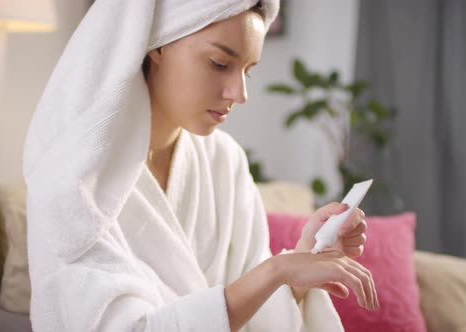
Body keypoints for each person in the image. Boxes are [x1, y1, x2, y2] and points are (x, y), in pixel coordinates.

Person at [23, 1, 378, 331]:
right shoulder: (76, 180)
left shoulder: (224, 161)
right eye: (220, 64)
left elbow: (253, 310)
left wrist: (297, 270)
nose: (239, 93)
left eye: (247, 71)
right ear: (156, 44)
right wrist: (276, 271)